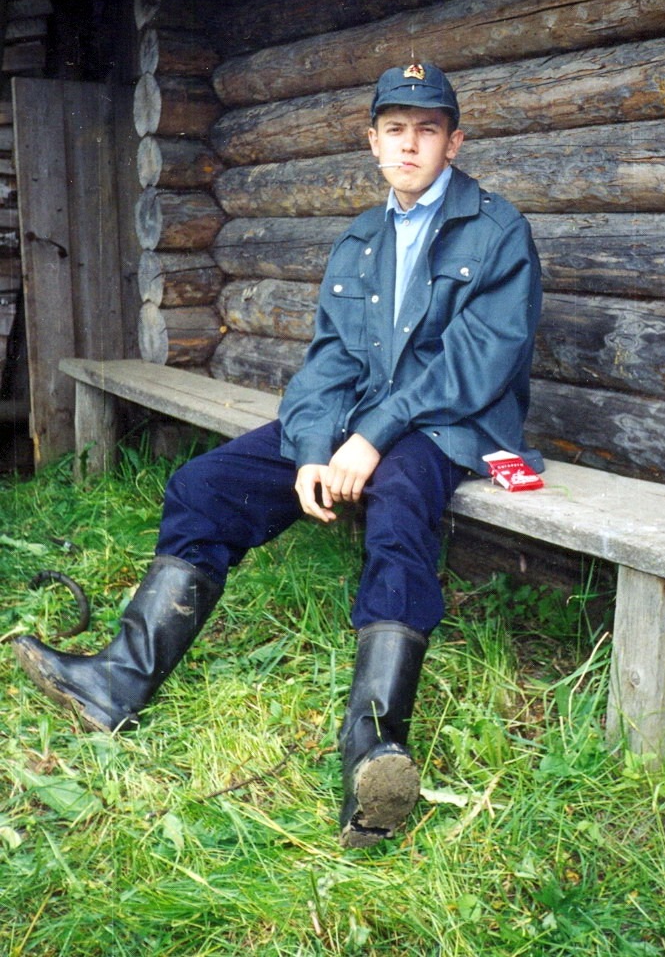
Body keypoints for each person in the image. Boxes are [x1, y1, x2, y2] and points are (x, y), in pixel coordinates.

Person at [13, 62, 543, 848]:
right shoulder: (361, 239)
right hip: (356, 423)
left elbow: (476, 365)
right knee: (205, 486)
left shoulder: (498, 231)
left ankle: (375, 750)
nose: (410, 145)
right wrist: (312, 450)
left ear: (454, 143)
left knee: (398, 505)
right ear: (372, 142)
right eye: (395, 130)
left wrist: (369, 438)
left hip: (449, 426)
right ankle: (117, 681)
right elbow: (328, 363)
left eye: (427, 130)